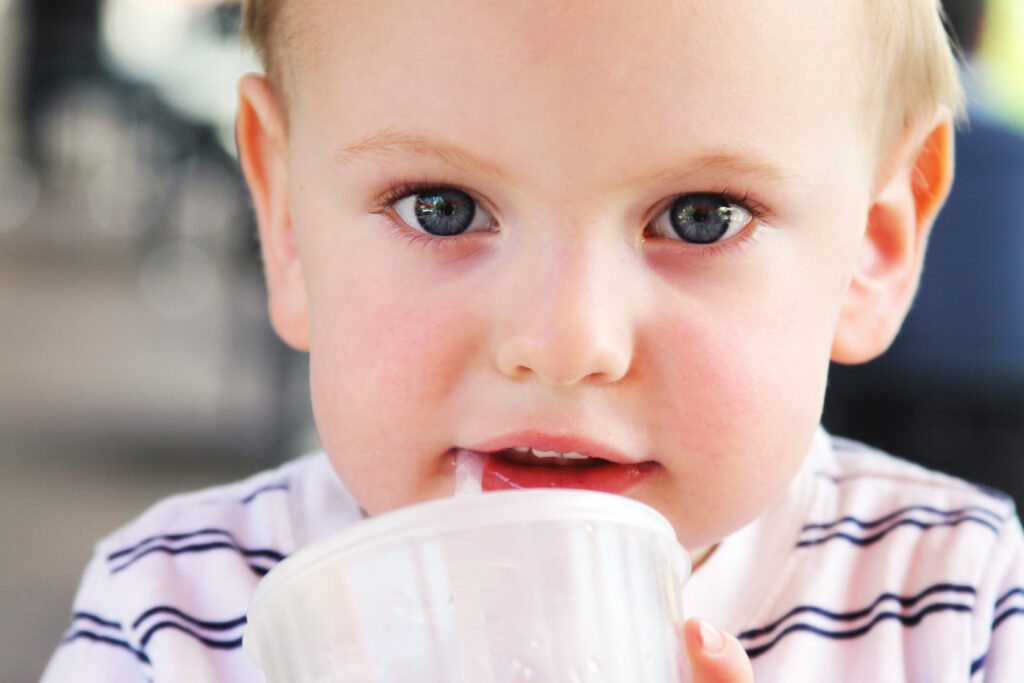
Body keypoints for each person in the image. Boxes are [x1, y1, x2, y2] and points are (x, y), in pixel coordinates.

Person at [41, 0, 1024, 681]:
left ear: (873, 243)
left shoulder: (960, 603)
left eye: (697, 217)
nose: (563, 343)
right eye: (441, 206)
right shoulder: (170, 608)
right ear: (288, 220)